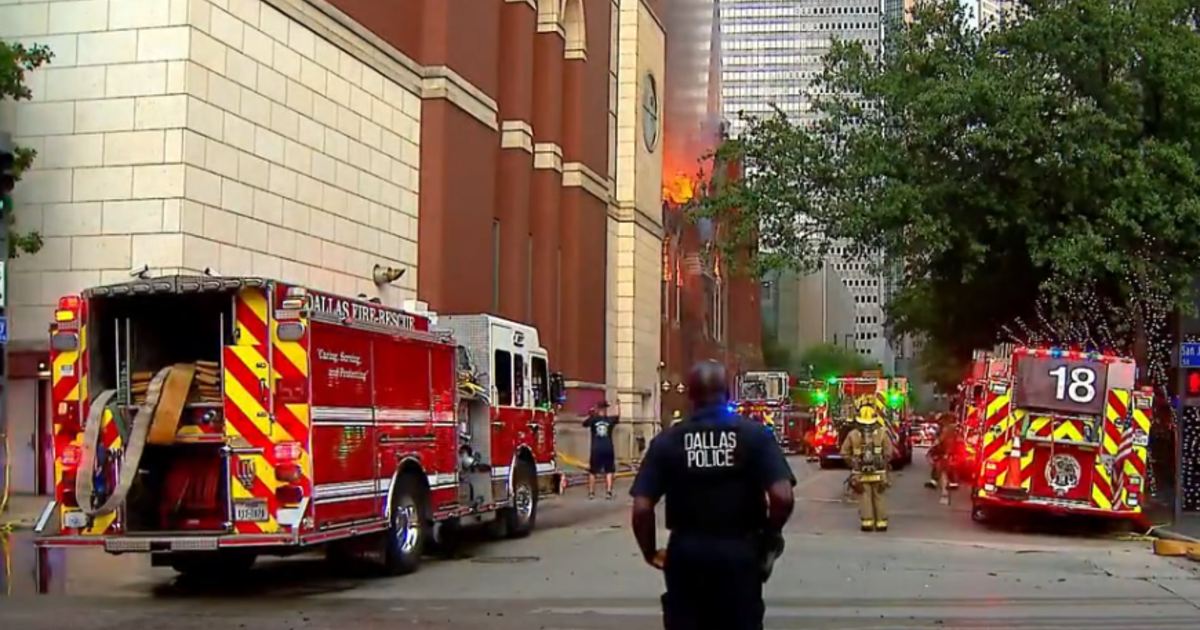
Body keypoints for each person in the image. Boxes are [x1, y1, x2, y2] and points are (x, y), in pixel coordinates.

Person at [630, 360, 796, 630]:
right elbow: (782, 497)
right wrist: (770, 536)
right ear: (727, 393)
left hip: (687, 553)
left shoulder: (668, 442)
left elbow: (641, 508)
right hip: (740, 551)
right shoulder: (755, 436)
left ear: (690, 396)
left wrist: (650, 551)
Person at [841, 404, 894, 532]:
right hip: (880, 473)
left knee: (865, 497)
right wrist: (883, 462)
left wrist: (852, 463)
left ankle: (867, 523)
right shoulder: (882, 433)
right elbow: (889, 452)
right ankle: (881, 523)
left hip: (860, 473)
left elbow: (844, 452)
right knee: (879, 496)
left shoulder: (853, 434)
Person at [584, 399, 621, 500]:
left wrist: (591, 413)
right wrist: (618, 405)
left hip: (596, 449)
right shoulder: (609, 420)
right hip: (608, 448)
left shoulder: (593, 420)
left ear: (597, 409)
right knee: (609, 471)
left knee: (593, 471)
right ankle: (608, 492)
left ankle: (591, 492)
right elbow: (617, 417)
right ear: (605, 409)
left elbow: (584, 423)